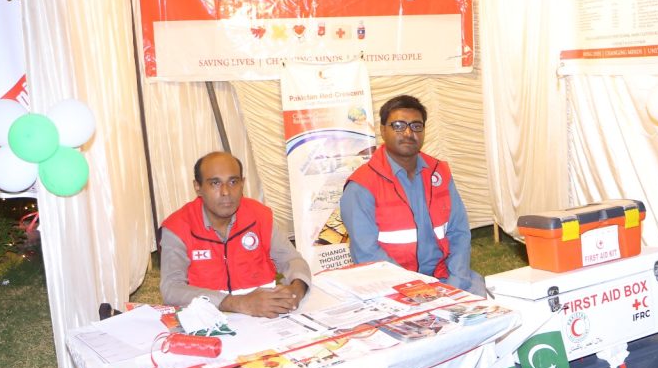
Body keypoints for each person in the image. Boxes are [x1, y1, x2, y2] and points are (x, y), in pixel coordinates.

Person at [340, 95, 487, 297]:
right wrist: (419, 291)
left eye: (416, 126)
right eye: (399, 125)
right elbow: (367, 254)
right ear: (383, 130)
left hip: (445, 278)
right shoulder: (362, 185)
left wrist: (457, 281)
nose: (408, 133)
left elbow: (459, 232)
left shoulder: (439, 172)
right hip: (391, 286)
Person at [159, 151, 311, 318]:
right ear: (198, 187)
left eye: (233, 182)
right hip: (208, 320)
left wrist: (296, 291)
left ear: (242, 184)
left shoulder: (259, 216)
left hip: (265, 320)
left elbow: (292, 259)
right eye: (215, 183)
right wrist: (237, 302)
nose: (226, 192)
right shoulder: (177, 227)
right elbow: (171, 289)